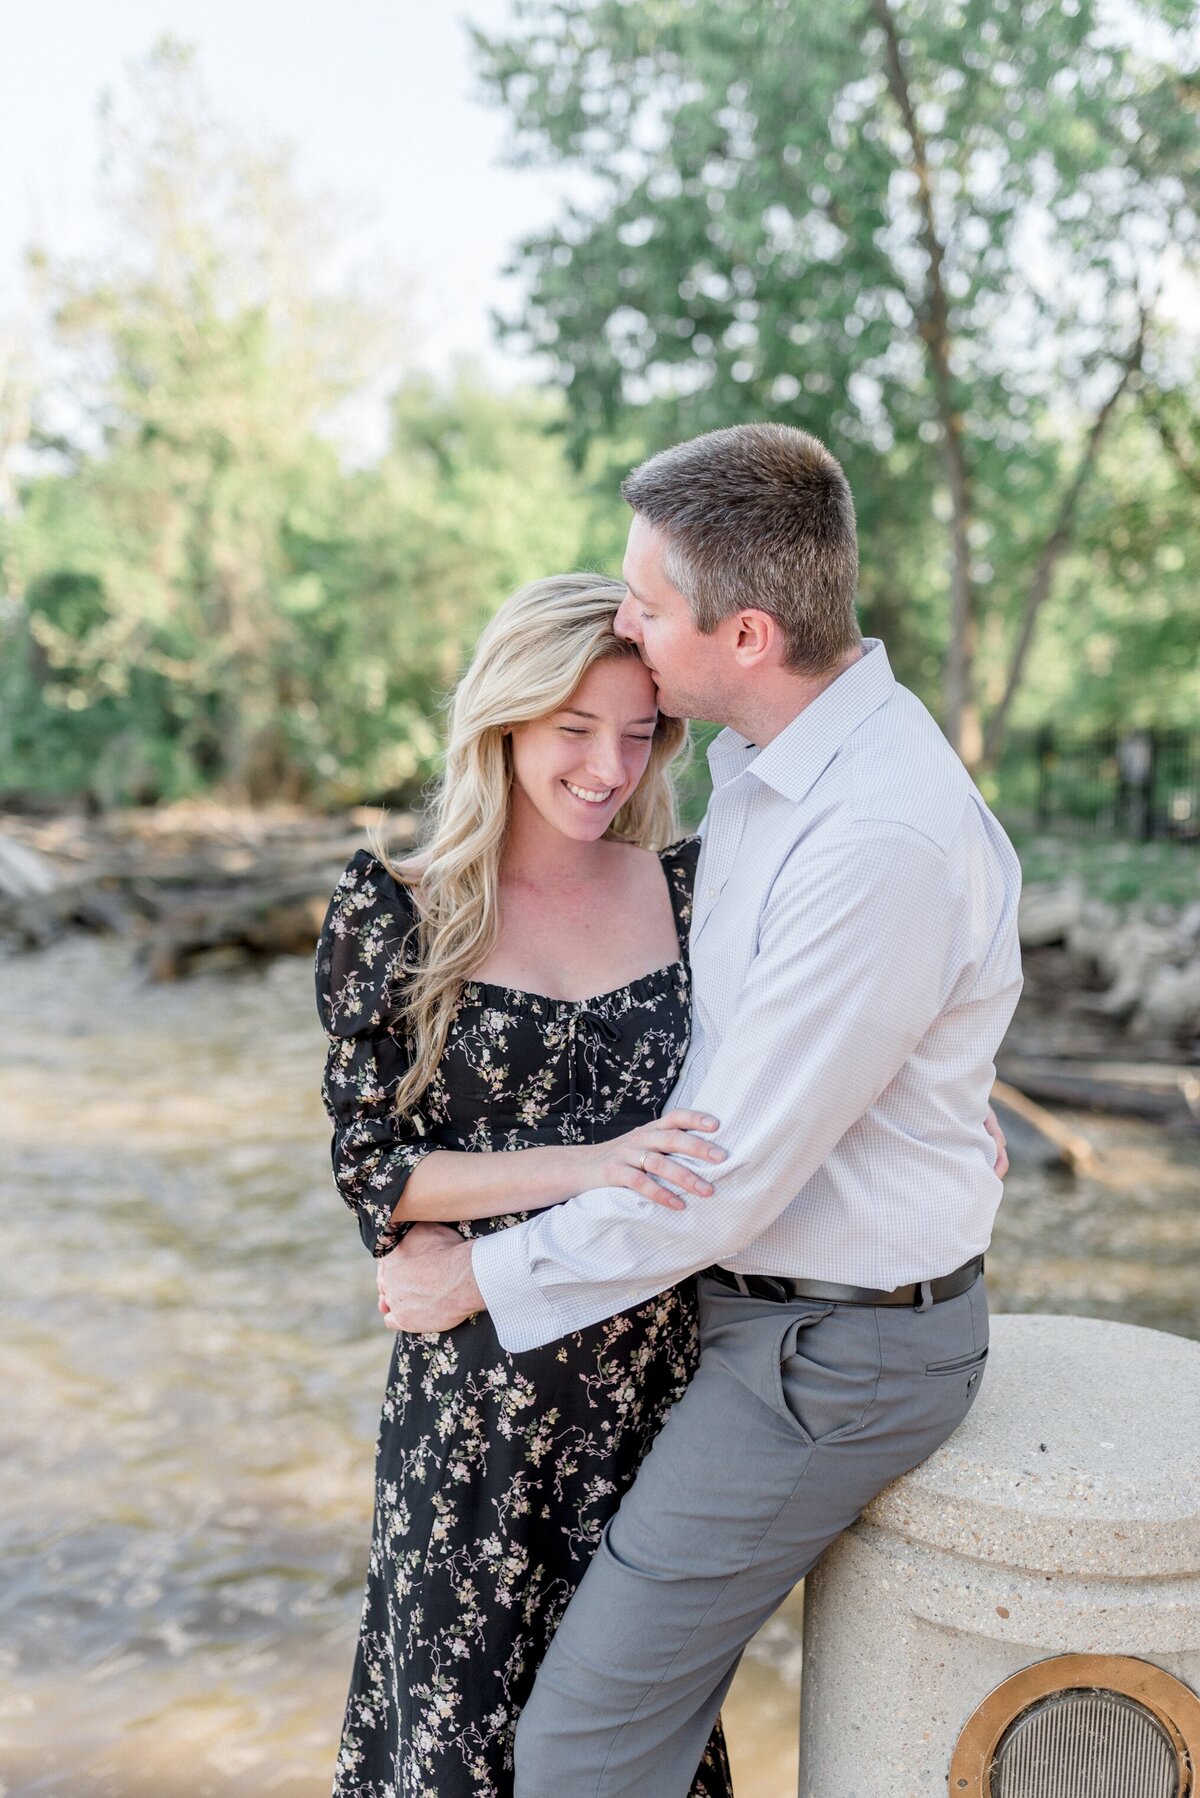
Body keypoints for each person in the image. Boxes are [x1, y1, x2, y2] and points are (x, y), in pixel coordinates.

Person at [375, 423, 1024, 1798]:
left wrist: (477, 1276)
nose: (625, 622)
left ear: (741, 632)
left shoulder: (876, 833)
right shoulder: (768, 773)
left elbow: (722, 1171)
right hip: (746, 1307)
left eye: (649, 606)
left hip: (826, 1355)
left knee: (584, 1749)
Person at [314, 574, 734, 1798]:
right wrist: (595, 1165)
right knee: (454, 1754)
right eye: (576, 729)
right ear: (505, 717)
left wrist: (935, 1098)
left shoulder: (696, 892)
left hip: (658, 1410)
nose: (610, 766)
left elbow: (805, 1055)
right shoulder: (399, 910)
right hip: (472, 1423)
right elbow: (375, 1176)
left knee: (646, 1758)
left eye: (640, 729)